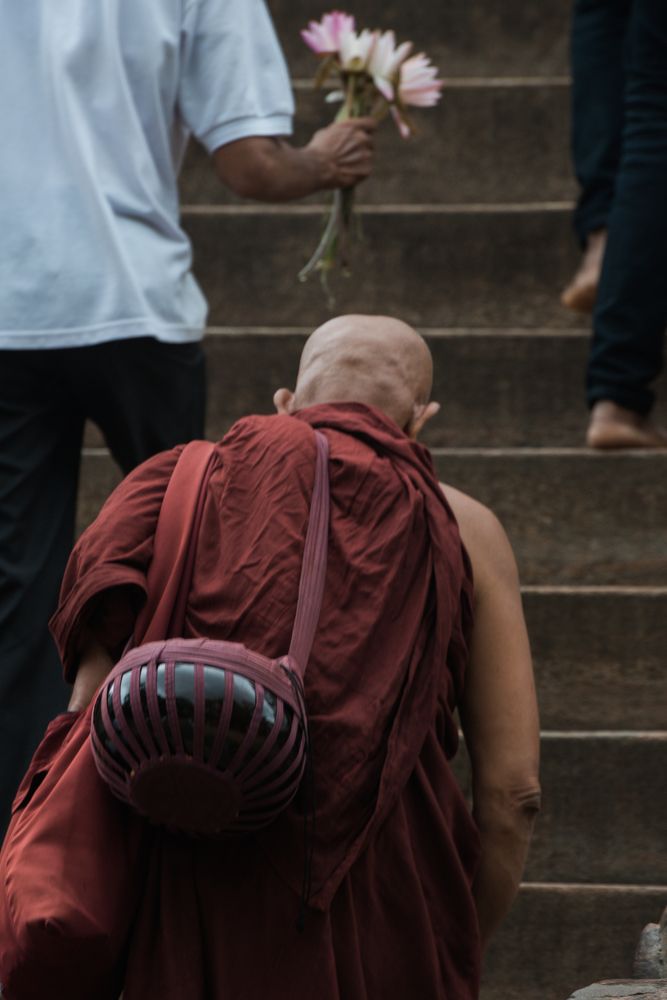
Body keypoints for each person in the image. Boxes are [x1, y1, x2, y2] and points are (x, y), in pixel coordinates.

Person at [0, 315, 541, 1000]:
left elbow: (87, 717)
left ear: (287, 400)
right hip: (385, 911)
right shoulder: (463, 526)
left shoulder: (172, 483)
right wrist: (455, 938)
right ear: (417, 421)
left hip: (190, 896)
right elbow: (513, 792)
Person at [0, 0, 376, 837]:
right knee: (184, 567)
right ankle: (169, 779)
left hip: (9, 312)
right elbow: (248, 163)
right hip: (133, 303)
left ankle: (29, 831)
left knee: (20, 591)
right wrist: (324, 161)